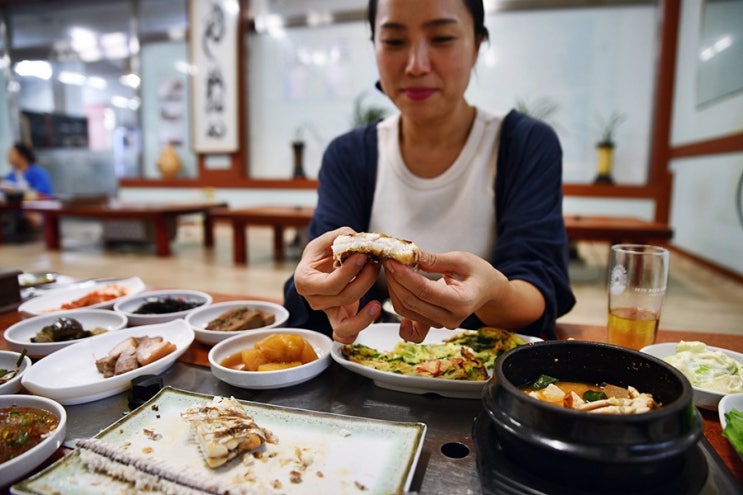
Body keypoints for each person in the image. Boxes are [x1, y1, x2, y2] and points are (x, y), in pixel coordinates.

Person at [283, 0, 575, 344]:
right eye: (393, 41)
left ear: (477, 46)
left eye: (441, 38)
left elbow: (536, 288)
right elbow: (321, 272)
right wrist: (322, 292)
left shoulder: (524, 144)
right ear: (374, 47)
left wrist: (495, 294)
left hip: (487, 375)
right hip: (372, 365)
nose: (416, 65)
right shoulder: (348, 155)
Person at [1, 142, 52, 235]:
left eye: (12, 153)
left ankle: (39, 237)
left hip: (34, 210)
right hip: (13, 211)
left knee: (32, 216)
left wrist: (15, 191)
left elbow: (42, 194)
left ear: (22, 156)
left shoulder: (38, 173)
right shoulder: (10, 176)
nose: (8, 156)